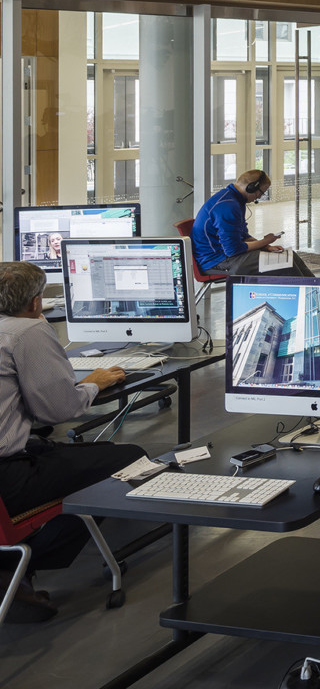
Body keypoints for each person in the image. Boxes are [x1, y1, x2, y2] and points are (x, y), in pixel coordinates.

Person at [0, 262, 144, 622]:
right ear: (35, 302)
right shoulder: (26, 331)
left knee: (97, 453)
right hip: (8, 478)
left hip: (13, 457)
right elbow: (58, 410)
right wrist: (93, 382)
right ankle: (16, 565)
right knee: (132, 460)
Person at [192, 169, 314, 278]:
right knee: (285, 263)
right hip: (217, 261)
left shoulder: (235, 200)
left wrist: (266, 247)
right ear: (252, 188)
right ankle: (309, 297)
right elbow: (233, 250)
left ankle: (319, 289)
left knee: (289, 256)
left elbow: (243, 236)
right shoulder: (228, 205)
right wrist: (266, 241)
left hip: (225, 256)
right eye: (261, 192)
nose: (260, 196)